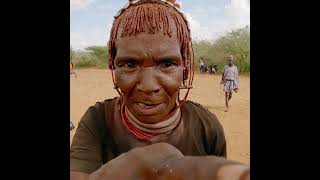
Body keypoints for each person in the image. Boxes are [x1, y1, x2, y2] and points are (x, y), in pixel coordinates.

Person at [70, 0, 248, 179]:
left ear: (185, 68)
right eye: (130, 64)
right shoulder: (97, 120)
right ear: (113, 67)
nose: (148, 87)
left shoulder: (206, 127)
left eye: (167, 64)